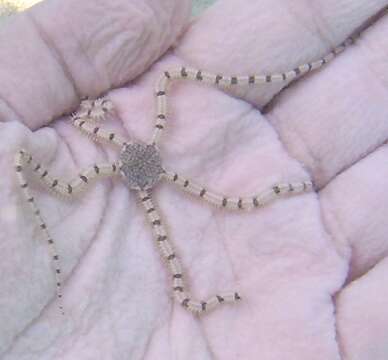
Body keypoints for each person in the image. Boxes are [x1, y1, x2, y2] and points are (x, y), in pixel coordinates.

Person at [0, 0, 387, 359]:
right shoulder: (112, 158)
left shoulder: (120, 145)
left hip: (144, 164)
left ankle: (295, 87)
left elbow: (77, 163)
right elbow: (66, 180)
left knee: (182, 92)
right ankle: (220, 289)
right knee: (223, 197)